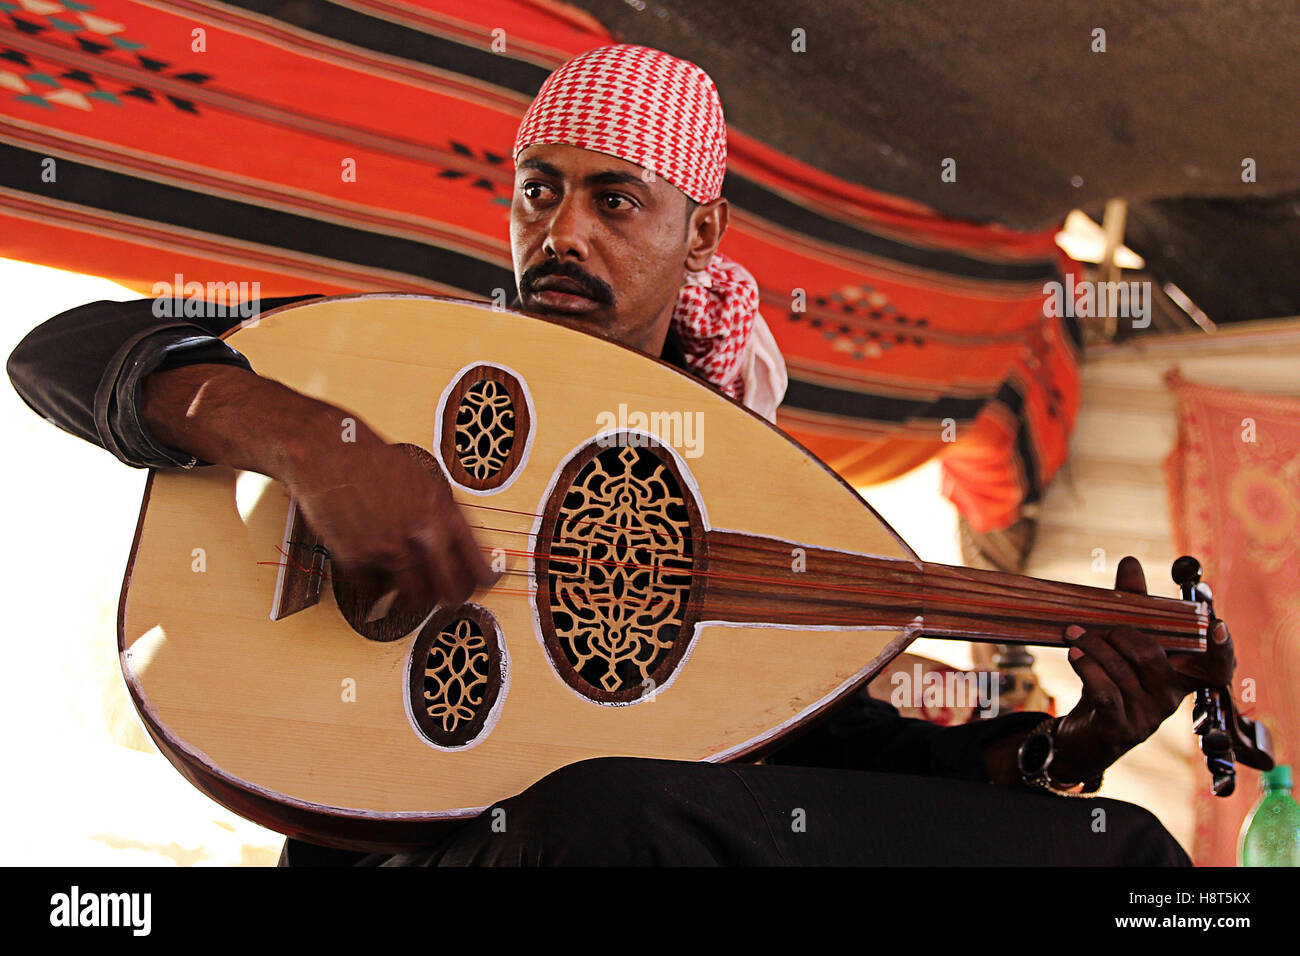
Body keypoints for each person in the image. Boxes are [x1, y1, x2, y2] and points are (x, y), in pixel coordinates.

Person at [8, 44, 1231, 866]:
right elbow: (61, 351)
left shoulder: (738, 469)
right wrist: (314, 443)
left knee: (1115, 852)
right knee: (605, 812)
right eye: (538, 191)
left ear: (701, 232)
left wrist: (1068, 747)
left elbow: (819, 767)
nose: (559, 233)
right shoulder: (415, 375)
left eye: (614, 200)